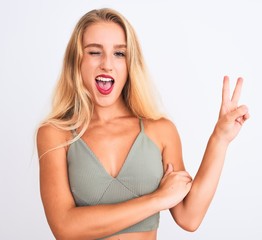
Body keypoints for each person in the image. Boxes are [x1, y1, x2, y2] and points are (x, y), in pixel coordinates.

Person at [37, 8, 249, 240]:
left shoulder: (160, 131)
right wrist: (157, 199)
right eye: (95, 52)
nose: (107, 64)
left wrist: (220, 138)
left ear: (130, 63)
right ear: (76, 61)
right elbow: (65, 228)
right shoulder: (56, 134)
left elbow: (189, 217)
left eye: (119, 54)